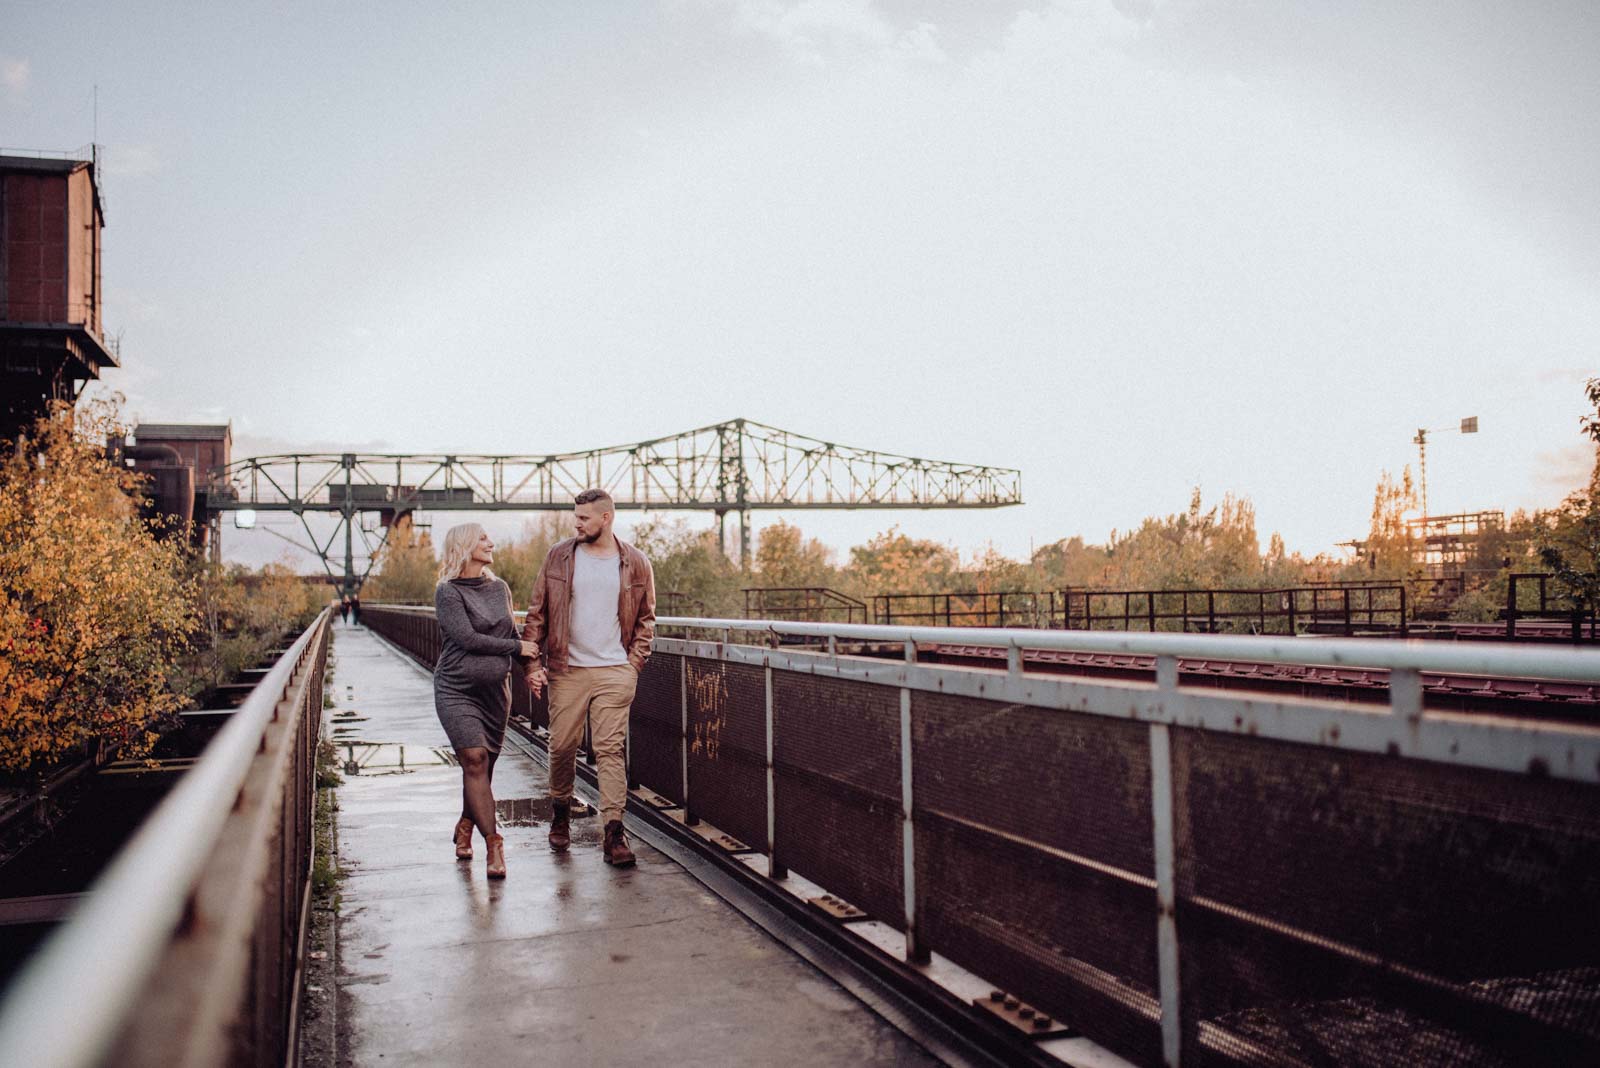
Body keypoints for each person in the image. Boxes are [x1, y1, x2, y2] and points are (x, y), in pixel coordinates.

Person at [522, 489, 656, 867]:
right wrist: (531, 665)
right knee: (562, 745)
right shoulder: (559, 556)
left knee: (610, 750)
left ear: (606, 518)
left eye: (583, 517)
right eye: (575, 516)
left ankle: (614, 831)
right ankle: (561, 810)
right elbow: (538, 614)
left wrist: (634, 664)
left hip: (615, 670)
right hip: (568, 669)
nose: (576, 523)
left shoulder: (636, 562)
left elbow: (647, 619)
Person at [434, 523, 537, 879]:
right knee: (474, 760)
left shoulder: (500, 588)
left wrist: (530, 669)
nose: (491, 543)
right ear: (464, 546)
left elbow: (513, 634)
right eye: (482, 538)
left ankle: (466, 825)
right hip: (456, 690)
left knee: (481, 772)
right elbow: (467, 638)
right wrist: (515, 648)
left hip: (496, 695)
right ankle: (494, 844)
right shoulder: (447, 592)